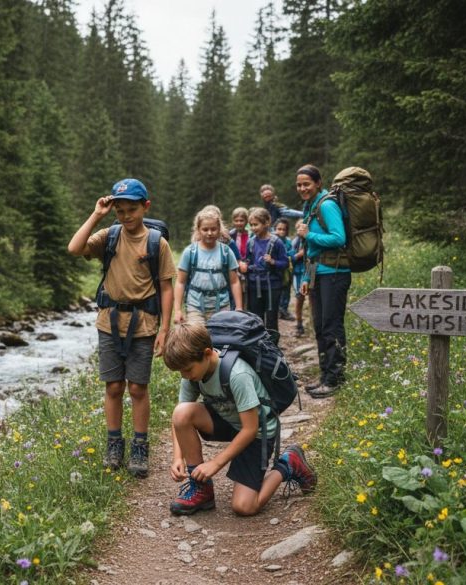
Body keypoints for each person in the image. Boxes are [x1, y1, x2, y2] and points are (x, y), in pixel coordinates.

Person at [67, 178, 176, 478]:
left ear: (145, 207)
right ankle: (114, 443)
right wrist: (97, 214)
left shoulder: (156, 243)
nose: (126, 216)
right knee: (113, 386)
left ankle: (140, 446)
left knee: (138, 387)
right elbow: (74, 248)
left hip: (144, 324)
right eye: (120, 211)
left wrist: (165, 330)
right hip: (109, 322)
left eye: (132, 209)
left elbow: (167, 288)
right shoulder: (109, 236)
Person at [163, 322, 317, 516]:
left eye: (187, 370)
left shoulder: (238, 374)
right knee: (181, 413)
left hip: (256, 431)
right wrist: (178, 457)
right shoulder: (193, 374)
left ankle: (289, 463)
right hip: (229, 419)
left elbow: (250, 430)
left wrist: (215, 463)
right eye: (181, 372)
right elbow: (178, 419)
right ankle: (201, 488)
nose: (185, 376)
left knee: (244, 507)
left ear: (207, 353)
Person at [295, 164, 349, 398]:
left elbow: (339, 238)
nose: (302, 188)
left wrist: (309, 234)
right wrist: (307, 277)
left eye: (306, 184)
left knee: (331, 325)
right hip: (318, 273)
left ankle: (335, 379)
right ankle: (326, 376)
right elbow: (312, 250)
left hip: (335, 273)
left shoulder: (326, 205)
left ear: (318, 183)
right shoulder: (311, 206)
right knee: (319, 326)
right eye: (299, 185)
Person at [174, 206, 243, 326]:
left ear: (219, 229)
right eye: (205, 229)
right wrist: (178, 310)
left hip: (222, 306)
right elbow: (180, 282)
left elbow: (234, 281)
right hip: (195, 306)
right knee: (197, 337)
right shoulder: (190, 252)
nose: (210, 233)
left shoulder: (226, 252)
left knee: (219, 337)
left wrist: (239, 307)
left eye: (213, 229)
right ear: (198, 230)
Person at [238, 207, 288, 346]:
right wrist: (244, 265)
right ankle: (259, 346)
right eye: (251, 225)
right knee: (256, 318)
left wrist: (273, 262)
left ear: (266, 222)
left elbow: (285, 263)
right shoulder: (251, 242)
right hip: (254, 285)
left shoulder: (276, 242)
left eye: (256, 224)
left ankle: (272, 347)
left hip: (272, 286)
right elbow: (248, 260)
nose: (253, 228)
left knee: (271, 318)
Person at [228, 207, 250, 310]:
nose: (239, 223)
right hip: (234, 266)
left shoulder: (250, 234)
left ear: (246, 221)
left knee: (246, 292)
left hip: (247, 266)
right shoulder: (230, 235)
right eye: (236, 221)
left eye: (241, 220)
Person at [273, 217, 294, 322]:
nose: (281, 232)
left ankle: (284, 310)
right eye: (279, 229)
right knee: (276, 292)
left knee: (286, 291)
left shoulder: (288, 242)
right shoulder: (272, 240)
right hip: (275, 271)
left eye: (283, 229)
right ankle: (276, 311)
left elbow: (291, 253)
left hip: (286, 271)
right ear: (274, 229)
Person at [290, 219, 308, 338]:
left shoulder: (310, 240)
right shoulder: (295, 242)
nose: (300, 230)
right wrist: (298, 254)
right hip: (298, 273)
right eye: (298, 228)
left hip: (309, 271)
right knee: (299, 297)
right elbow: (290, 256)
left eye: (302, 227)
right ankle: (299, 324)